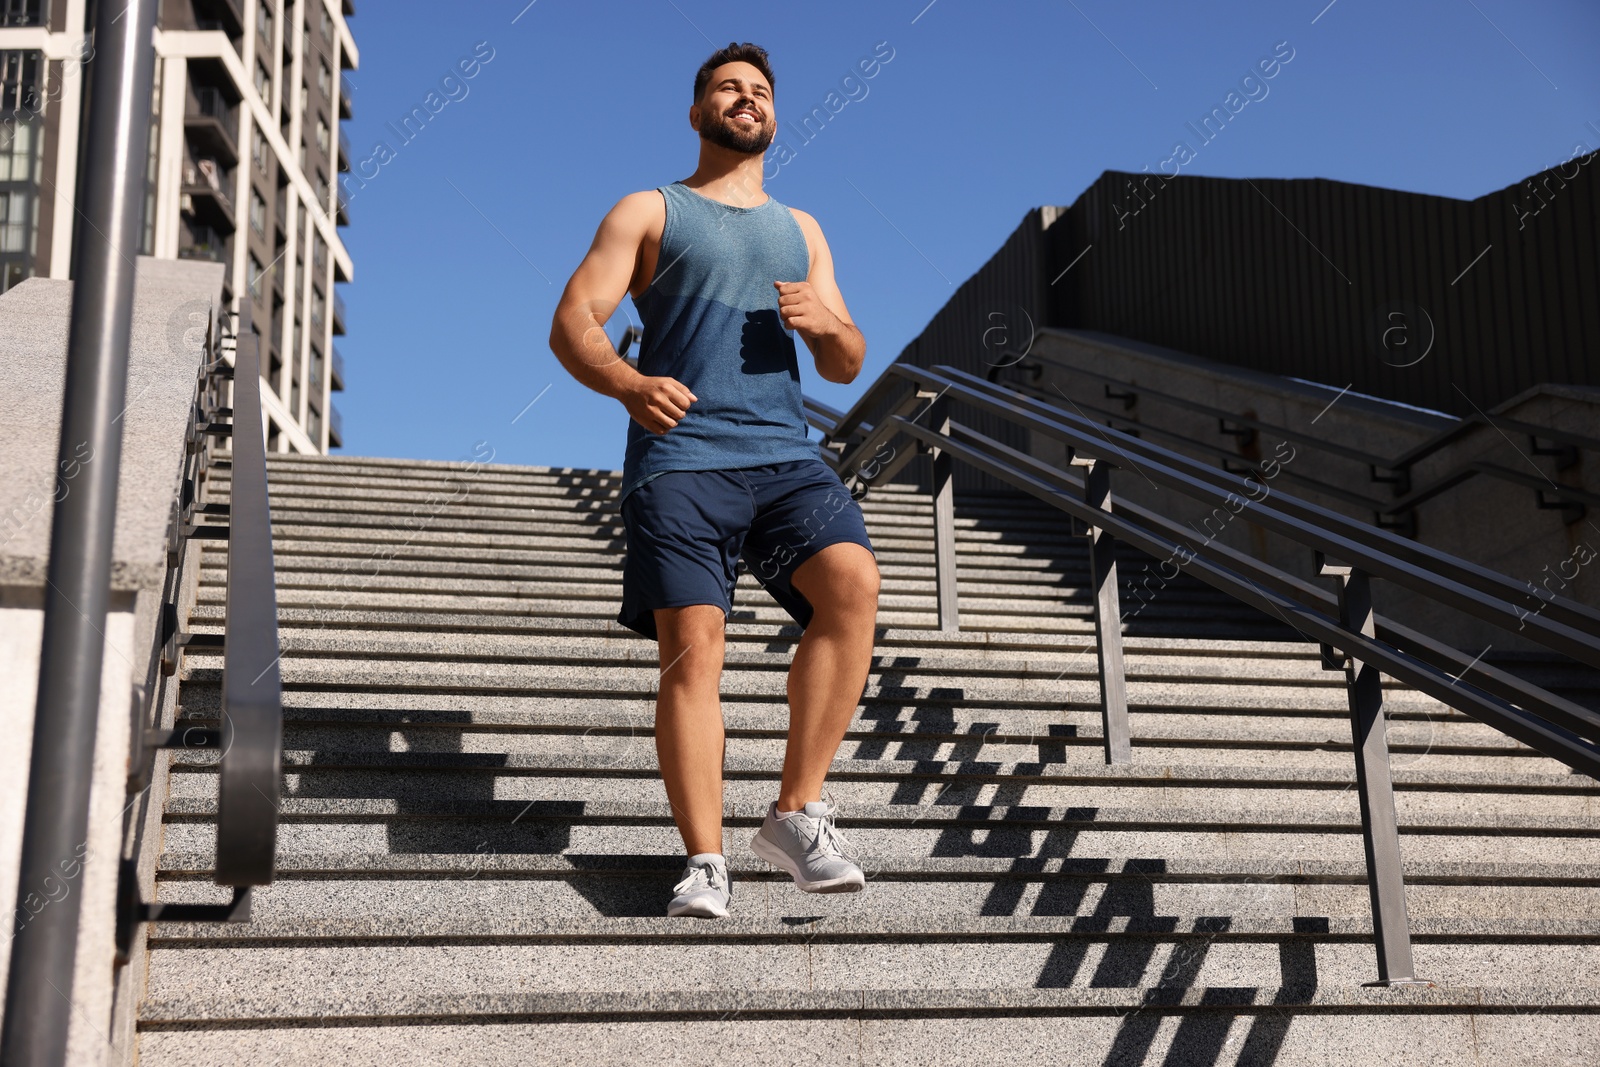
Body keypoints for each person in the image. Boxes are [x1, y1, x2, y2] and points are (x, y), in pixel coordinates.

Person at [548, 42, 881, 918]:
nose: (747, 99)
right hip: (683, 461)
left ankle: (796, 810)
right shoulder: (650, 209)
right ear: (697, 114)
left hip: (786, 458)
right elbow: (574, 319)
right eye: (729, 89)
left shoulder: (802, 229)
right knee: (694, 646)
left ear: (773, 117)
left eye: (760, 91)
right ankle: (705, 858)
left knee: (853, 584)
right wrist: (627, 383)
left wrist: (823, 324)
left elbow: (847, 363)